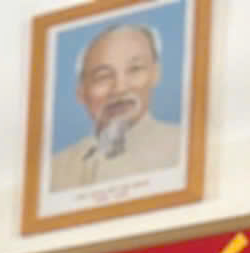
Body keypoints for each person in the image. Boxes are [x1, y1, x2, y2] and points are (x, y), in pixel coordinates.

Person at [47, 22, 184, 192]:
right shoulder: (54, 169)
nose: (120, 88)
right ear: (81, 92)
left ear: (155, 74)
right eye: (103, 76)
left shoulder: (183, 145)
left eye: (134, 69)